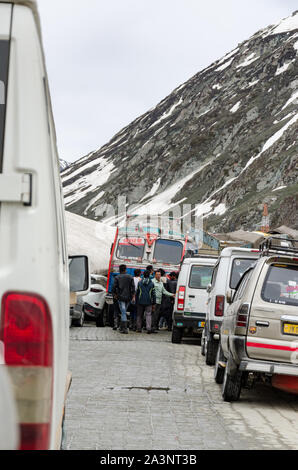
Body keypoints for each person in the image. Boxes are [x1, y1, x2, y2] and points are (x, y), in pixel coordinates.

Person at [112, 264, 135, 334]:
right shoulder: (130, 277)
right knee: (123, 311)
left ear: (119, 270)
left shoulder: (117, 277)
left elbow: (113, 287)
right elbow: (133, 288)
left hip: (120, 297)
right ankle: (122, 327)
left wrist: (115, 294)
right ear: (125, 269)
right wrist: (132, 295)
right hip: (128, 297)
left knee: (123, 312)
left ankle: (124, 328)